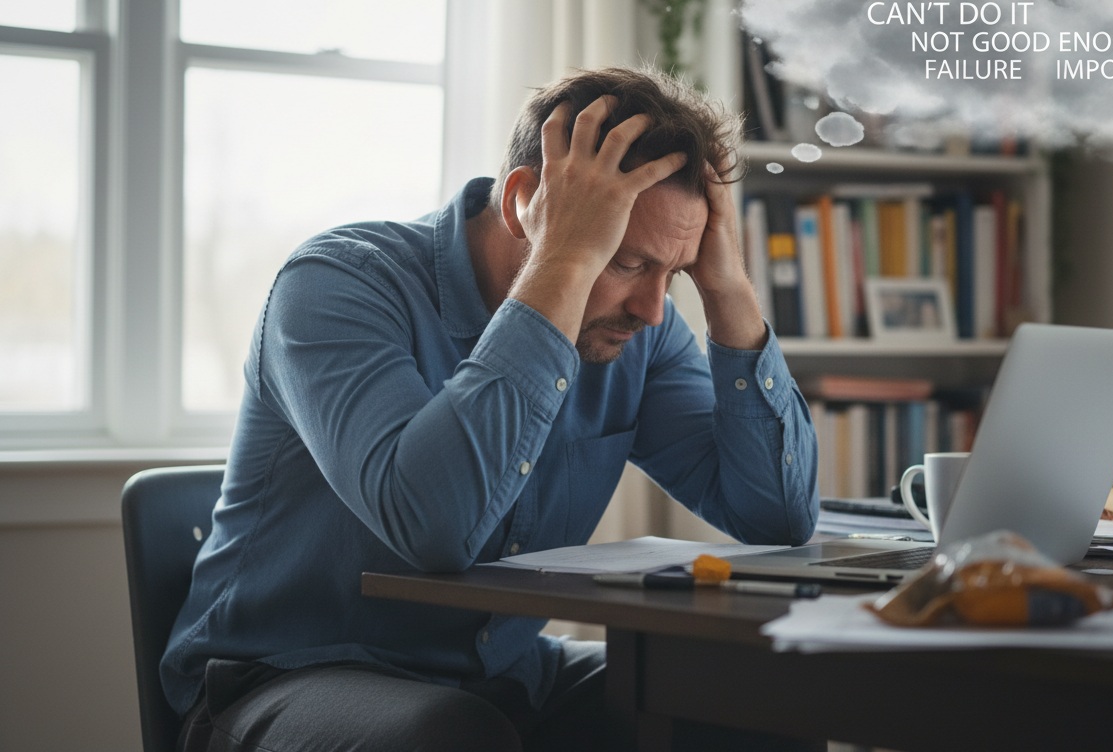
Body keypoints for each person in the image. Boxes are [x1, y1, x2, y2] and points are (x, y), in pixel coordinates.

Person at [164, 66, 821, 751]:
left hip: (504, 678)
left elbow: (776, 516)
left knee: (755, 699)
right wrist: (565, 265)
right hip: (283, 677)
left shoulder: (637, 331)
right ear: (523, 207)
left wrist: (727, 291)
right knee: (448, 737)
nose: (654, 309)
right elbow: (435, 528)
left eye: (674, 273)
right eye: (625, 263)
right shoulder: (338, 284)